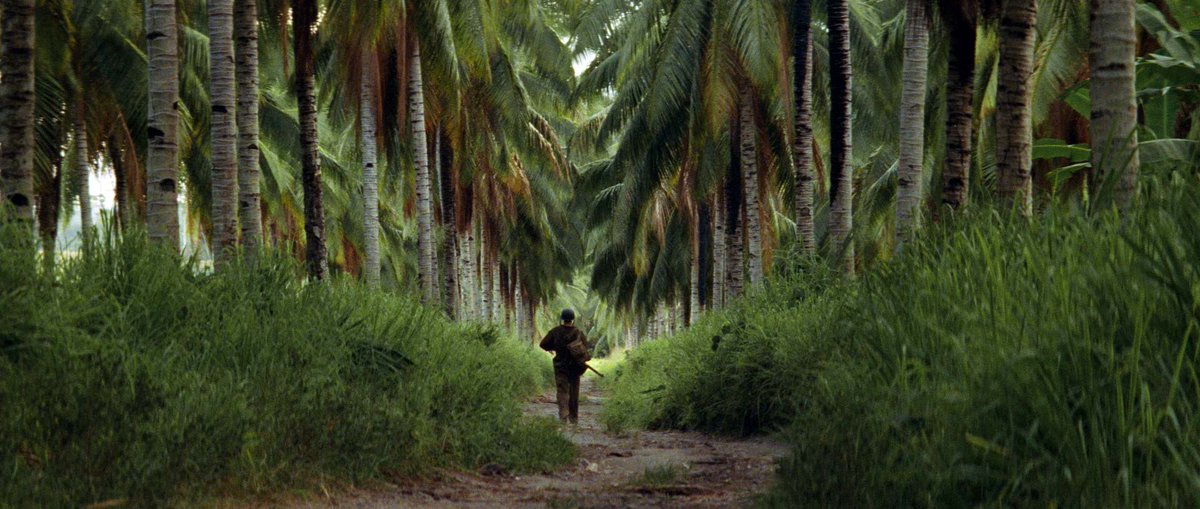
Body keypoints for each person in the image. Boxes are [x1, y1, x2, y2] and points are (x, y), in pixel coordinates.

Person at [539, 308, 589, 424]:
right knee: (574, 392)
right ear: (573, 320)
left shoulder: (555, 331)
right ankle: (574, 418)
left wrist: (554, 347)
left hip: (560, 366)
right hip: (575, 367)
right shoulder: (578, 332)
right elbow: (585, 348)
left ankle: (563, 415)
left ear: (562, 319)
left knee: (562, 391)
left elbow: (543, 344)